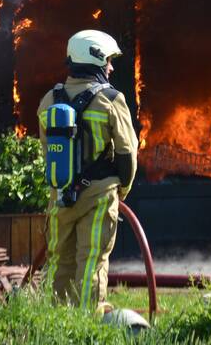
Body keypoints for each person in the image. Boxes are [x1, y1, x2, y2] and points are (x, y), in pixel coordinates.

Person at [37, 29, 138, 312]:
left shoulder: (49, 100)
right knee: (92, 259)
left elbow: (48, 151)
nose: (111, 66)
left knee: (58, 259)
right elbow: (127, 152)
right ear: (95, 59)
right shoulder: (110, 99)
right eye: (108, 60)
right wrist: (123, 188)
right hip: (99, 193)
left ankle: (55, 321)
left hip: (60, 195)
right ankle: (87, 325)